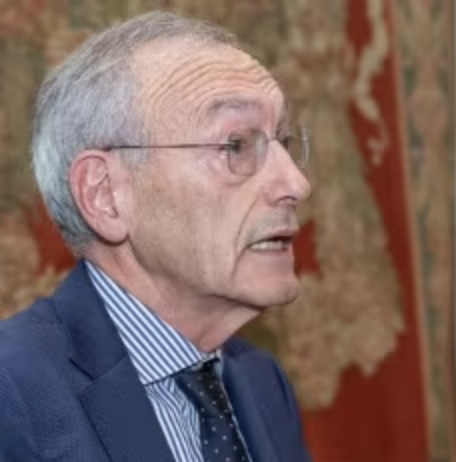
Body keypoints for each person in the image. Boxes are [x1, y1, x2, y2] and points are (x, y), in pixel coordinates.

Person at [0, 10, 312, 462]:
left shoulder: (263, 381)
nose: (296, 183)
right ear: (105, 194)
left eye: (283, 141)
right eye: (236, 146)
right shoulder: (13, 394)